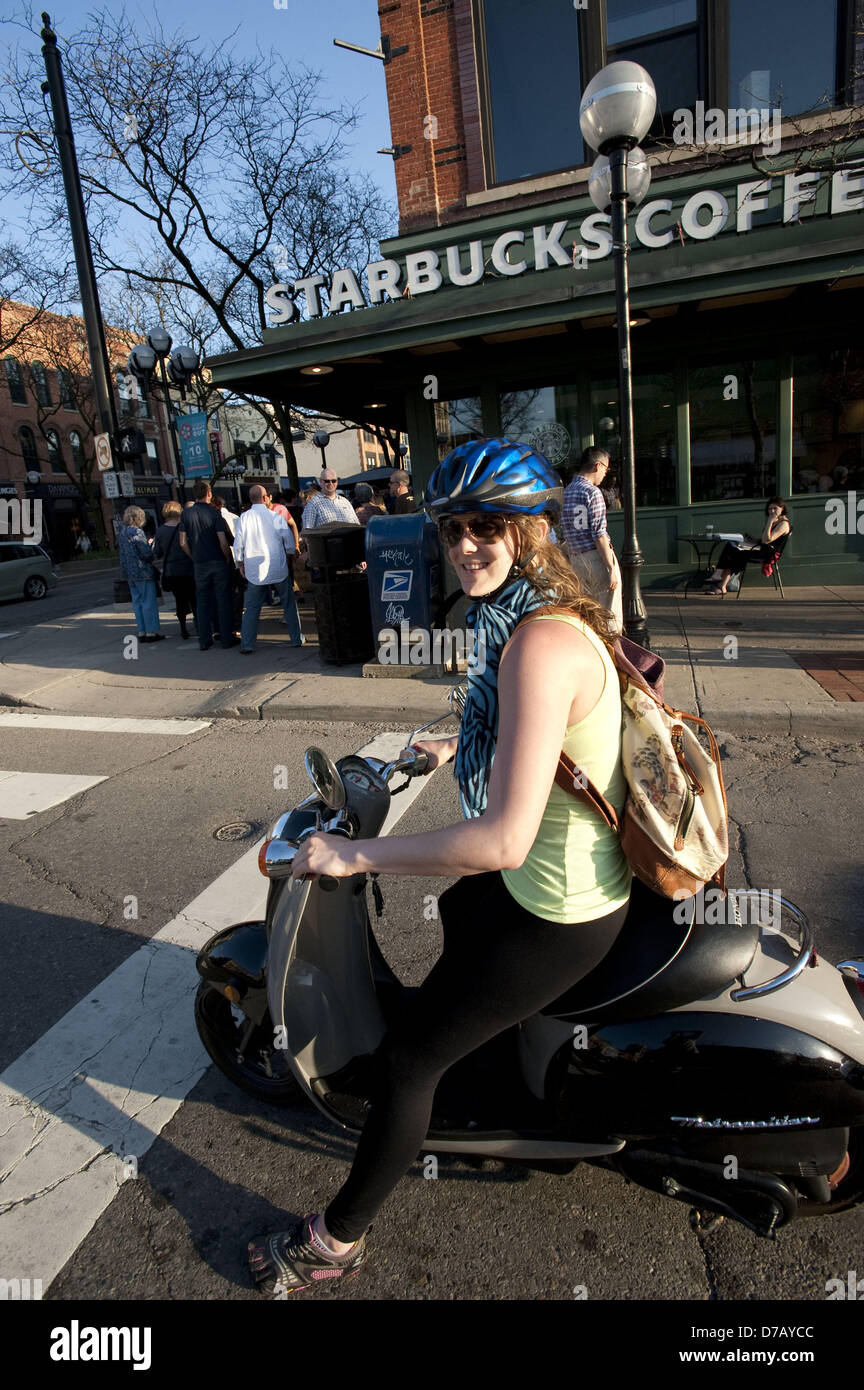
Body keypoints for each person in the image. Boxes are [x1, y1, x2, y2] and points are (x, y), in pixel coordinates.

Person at [246, 437, 632, 1295]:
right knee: (461, 915)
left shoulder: (538, 642)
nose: (465, 544)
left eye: (487, 524)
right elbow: (547, 738)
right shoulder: (528, 617)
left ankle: (333, 1245)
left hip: (560, 908)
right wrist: (460, 740)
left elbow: (501, 842)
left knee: (411, 1060)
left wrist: (353, 854)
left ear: (530, 528)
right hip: (553, 879)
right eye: (452, 527)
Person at [233, 484, 303, 651]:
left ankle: (247, 644)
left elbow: (238, 544)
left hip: (254, 569)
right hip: (277, 566)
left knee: (252, 608)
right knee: (288, 604)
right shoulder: (275, 517)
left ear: (251, 499)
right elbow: (288, 541)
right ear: (265, 498)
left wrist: (240, 563)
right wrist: (290, 554)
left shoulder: (244, 518)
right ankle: (296, 638)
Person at [561, 446, 623, 634]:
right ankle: (612, 655)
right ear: (597, 466)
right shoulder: (592, 492)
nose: (605, 474)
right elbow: (599, 533)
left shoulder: (566, 492)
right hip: (596, 559)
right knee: (608, 614)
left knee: (587, 612)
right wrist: (610, 568)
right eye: (606, 469)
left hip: (576, 559)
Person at [178, 480, 239, 649]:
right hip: (217, 560)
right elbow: (222, 541)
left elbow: (182, 542)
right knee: (223, 600)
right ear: (209, 493)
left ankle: (204, 640)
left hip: (199, 562)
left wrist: (194, 556)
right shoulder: (214, 514)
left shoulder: (186, 514)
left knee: (202, 602)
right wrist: (227, 557)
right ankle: (226, 638)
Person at [702, 499, 792, 595]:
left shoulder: (783, 524)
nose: (772, 511)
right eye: (770, 509)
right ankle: (720, 582)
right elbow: (764, 540)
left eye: (775, 508)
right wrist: (753, 540)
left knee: (733, 552)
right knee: (731, 546)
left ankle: (719, 580)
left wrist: (769, 521)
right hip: (761, 548)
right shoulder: (776, 521)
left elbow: (767, 540)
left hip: (768, 554)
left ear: (782, 509)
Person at [117, 505, 164, 643]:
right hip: (142, 571)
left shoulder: (123, 533)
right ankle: (151, 632)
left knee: (137, 603)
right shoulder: (137, 532)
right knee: (148, 602)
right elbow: (147, 554)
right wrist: (150, 546)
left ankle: (142, 630)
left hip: (129, 573)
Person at [152, 501, 197, 640]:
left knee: (180, 600)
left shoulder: (160, 531)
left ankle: (183, 628)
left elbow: (157, 553)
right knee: (194, 599)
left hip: (172, 571)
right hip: (189, 569)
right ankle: (200, 626)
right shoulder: (184, 527)